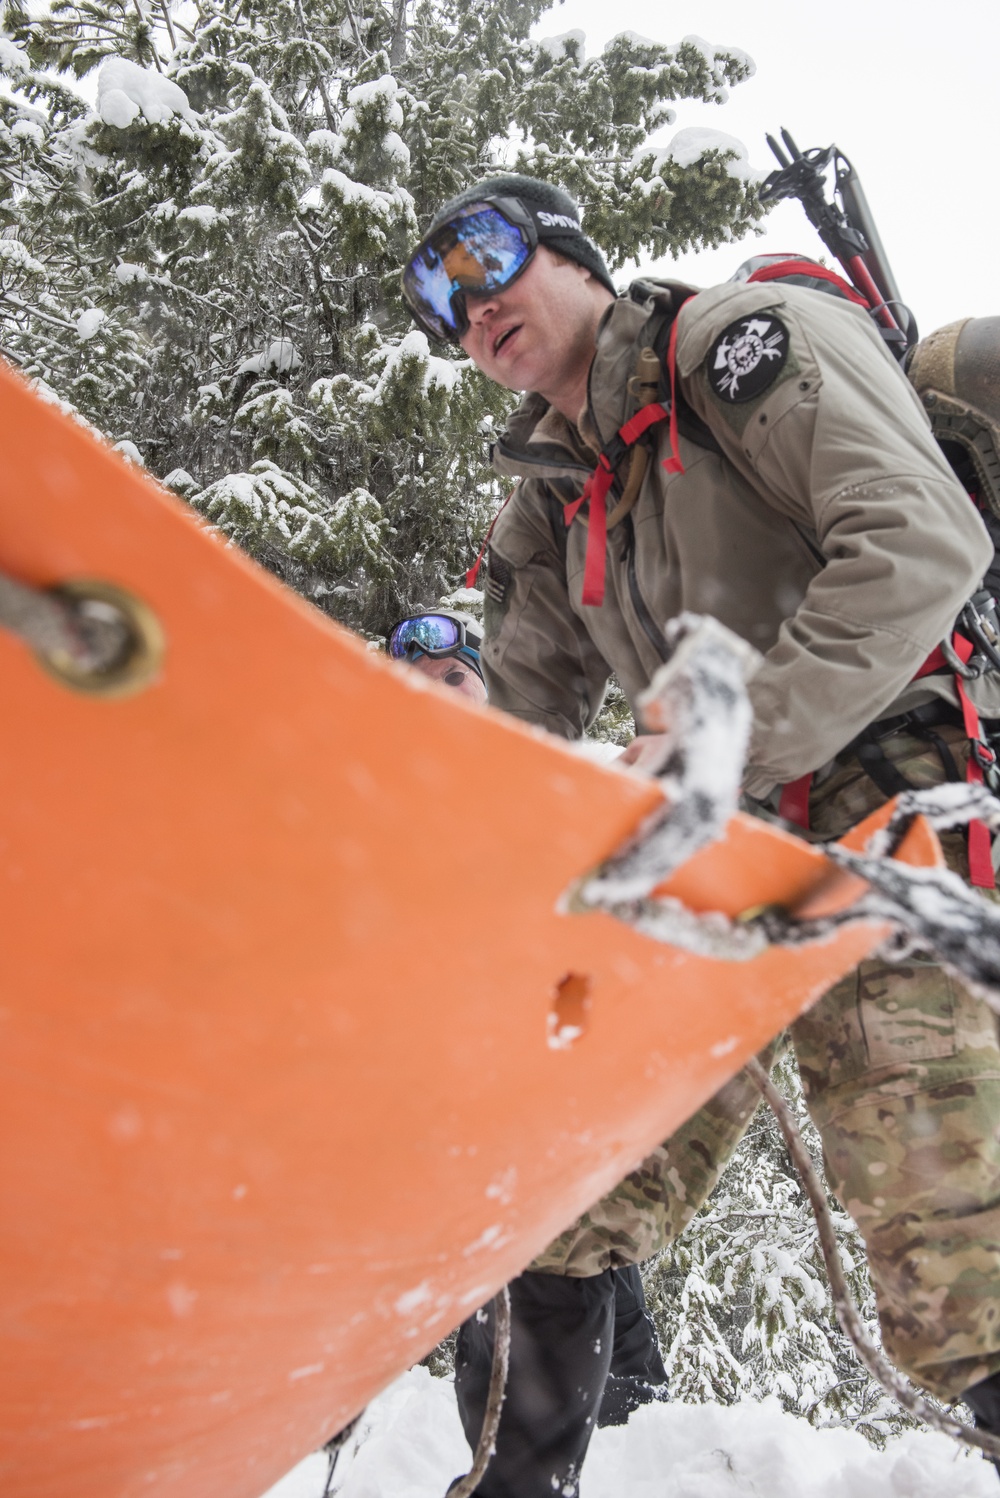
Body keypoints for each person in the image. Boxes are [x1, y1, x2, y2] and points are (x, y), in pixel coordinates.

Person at [401, 177, 1000, 1495]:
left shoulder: (741, 348)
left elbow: (918, 540)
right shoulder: (552, 501)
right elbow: (525, 723)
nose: (470, 302)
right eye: (439, 296)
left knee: (956, 1258)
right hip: (713, 837)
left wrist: (736, 730)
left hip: (882, 789)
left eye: (487, 256)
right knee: (561, 1196)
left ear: (572, 254)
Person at [388, 608, 671, 1470]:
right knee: (525, 1275)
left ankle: (641, 1444)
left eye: (456, 677)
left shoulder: (552, 777)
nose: (440, 694)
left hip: (560, 1081)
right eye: (417, 685)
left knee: (583, 1270)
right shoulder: (388, 801)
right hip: (462, 1092)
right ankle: (550, 1456)